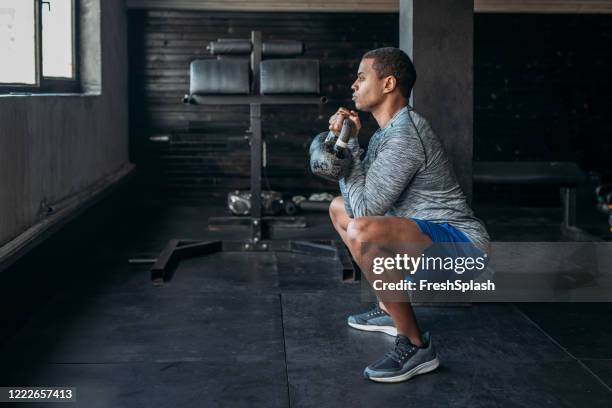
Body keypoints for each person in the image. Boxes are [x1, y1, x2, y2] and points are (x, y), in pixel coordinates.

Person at [326, 47, 490, 383]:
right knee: (337, 208)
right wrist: (340, 142)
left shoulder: (405, 135)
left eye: (361, 77)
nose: (353, 85)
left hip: (463, 252)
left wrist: (349, 149)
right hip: (428, 239)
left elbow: (368, 210)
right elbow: (356, 198)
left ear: (388, 84)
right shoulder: (386, 134)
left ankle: (416, 345)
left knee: (361, 227)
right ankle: (389, 311)